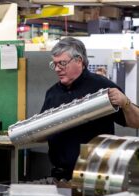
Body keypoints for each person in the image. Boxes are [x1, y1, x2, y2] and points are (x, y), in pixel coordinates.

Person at [41, 37, 137, 180]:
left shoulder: (103, 88)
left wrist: (126, 103)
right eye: (54, 64)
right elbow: (43, 131)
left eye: (62, 63)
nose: (57, 69)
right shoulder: (52, 93)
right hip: (60, 176)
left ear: (79, 61)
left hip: (94, 176)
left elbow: (136, 122)